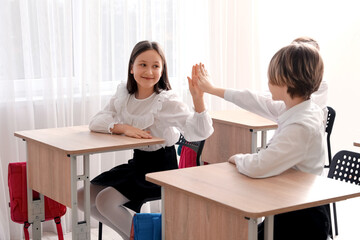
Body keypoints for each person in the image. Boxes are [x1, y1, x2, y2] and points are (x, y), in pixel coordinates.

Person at [190, 43, 330, 239]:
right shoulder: (298, 108)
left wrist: (237, 158)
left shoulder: (302, 125)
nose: (268, 83)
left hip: (302, 218)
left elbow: (260, 165)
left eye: (271, 78)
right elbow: (253, 99)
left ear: (285, 81)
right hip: (287, 206)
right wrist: (212, 89)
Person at [78, 40, 213, 239]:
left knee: (105, 201)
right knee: (81, 198)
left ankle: (140, 235)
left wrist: (198, 99)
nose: (149, 71)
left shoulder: (165, 101)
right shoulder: (125, 96)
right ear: (132, 67)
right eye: (142, 64)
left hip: (161, 170)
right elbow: (96, 122)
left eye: (155, 66)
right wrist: (123, 128)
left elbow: (200, 132)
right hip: (138, 165)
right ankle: (134, 235)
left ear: (162, 70)